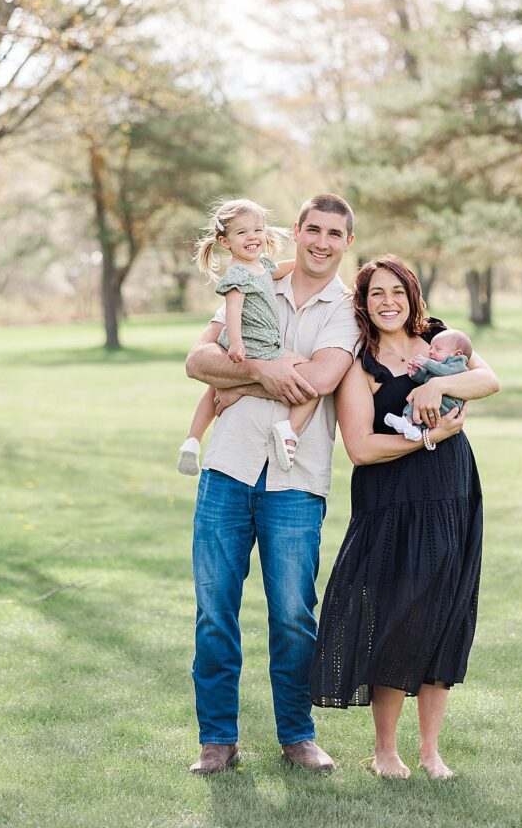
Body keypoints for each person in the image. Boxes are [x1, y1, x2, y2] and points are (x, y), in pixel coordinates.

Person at [184, 194, 360, 775]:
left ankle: (297, 736)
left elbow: (320, 379)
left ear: (345, 243)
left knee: (291, 613)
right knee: (214, 612)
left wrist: (243, 382)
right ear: (299, 230)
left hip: (296, 477)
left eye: (334, 234)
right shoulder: (253, 276)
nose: (321, 242)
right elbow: (197, 360)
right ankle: (217, 740)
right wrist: (262, 370)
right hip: (228, 468)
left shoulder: (347, 310)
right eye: (313, 229)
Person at [310, 255, 499, 780]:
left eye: (396, 291)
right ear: (363, 304)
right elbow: (362, 448)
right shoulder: (359, 364)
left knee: (444, 616)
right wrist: (430, 438)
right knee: (394, 619)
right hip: (392, 504)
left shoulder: (440, 341)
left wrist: (437, 386)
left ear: (412, 295)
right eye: (376, 294)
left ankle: (431, 751)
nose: (388, 301)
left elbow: (490, 380)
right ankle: (385, 750)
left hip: (452, 495)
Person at [177, 198, 317, 476]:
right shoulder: (238, 273)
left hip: (256, 339)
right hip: (254, 341)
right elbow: (233, 310)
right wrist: (238, 343)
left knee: (214, 389)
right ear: (225, 242)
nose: (252, 237)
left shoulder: (262, 264)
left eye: (258, 230)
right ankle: (289, 432)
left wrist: (302, 263)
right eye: (242, 232)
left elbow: (278, 270)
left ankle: (192, 441)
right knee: (306, 380)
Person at [384, 327, 473, 441]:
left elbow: (445, 372)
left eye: (438, 349)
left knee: (423, 401)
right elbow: (425, 379)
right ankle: (411, 426)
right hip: (439, 402)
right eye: (431, 348)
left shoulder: (458, 364)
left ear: (457, 354)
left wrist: (427, 362)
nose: (431, 351)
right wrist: (416, 373)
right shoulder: (437, 364)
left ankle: (410, 425)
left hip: (449, 403)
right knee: (418, 400)